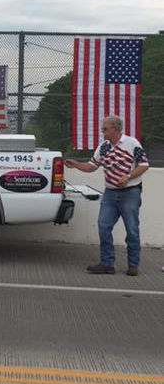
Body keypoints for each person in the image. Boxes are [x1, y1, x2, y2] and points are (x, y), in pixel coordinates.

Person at [65, 115, 149, 276]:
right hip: (110, 192)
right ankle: (107, 263)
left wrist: (128, 177)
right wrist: (76, 165)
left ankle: (133, 265)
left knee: (131, 229)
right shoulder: (103, 147)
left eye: (105, 128)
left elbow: (144, 165)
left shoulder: (132, 143)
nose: (103, 131)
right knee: (104, 226)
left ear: (116, 129)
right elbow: (91, 166)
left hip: (130, 192)